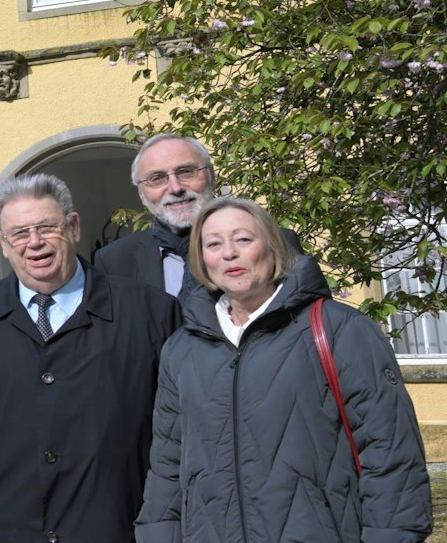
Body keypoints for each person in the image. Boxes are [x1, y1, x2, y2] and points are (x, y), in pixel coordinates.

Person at [136, 196, 431, 542]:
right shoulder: (182, 348)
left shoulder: (339, 329)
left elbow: (391, 454)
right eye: (213, 244)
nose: (229, 253)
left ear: (273, 247)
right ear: (202, 260)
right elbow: (168, 469)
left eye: (244, 239)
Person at [0, 173, 179, 543]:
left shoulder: (150, 312)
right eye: (19, 233)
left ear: (74, 226)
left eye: (47, 227)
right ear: (2, 243)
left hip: (116, 530)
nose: (34, 243)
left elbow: (177, 432)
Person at [95, 133, 300, 294]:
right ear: (141, 193)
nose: (175, 188)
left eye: (186, 171)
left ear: (211, 176)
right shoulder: (114, 261)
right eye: (157, 178)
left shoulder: (277, 242)